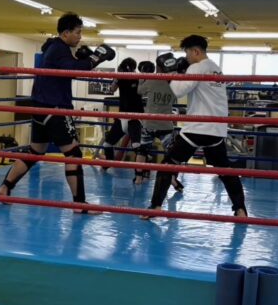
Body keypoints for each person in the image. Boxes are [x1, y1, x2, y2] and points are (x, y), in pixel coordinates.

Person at [0, 12, 115, 207]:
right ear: (66, 33)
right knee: (74, 154)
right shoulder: (59, 49)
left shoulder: (53, 47)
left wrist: (86, 59)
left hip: (40, 108)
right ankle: (80, 204)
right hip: (55, 109)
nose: (80, 37)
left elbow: (70, 69)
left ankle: (5, 187)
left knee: (35, 151)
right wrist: (95, 58)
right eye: (77, 32)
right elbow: (74, 70)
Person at [144, 35, 248, 219]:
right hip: (217, 130)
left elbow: (179, 91)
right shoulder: (216, 69)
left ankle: (155, 207)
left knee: (167, 165)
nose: (187, 57)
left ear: (196, 51)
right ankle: (240, 210)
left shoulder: (197, 67)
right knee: (225, 170)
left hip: (197, 129)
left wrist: (171, 74)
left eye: (187, 53)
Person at [134, 54, 184, 192]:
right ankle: (172, 178)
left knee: (142, 151)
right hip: (166, 125)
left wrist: (142, 77)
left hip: (149, 124)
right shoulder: (175, 83)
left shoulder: (152, 80)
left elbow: (139, 91)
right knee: (172, 154)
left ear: (158, 67)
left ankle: (138, 178)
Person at [100, 57, 144, 166]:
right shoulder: (120, 77)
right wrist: (116, 78)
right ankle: (108, 164)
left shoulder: (139, 78)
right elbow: (112, 89)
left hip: (135, 117)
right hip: (121, 117)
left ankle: (143, 170)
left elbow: (144, 91)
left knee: (136, 146)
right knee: (107, 145)